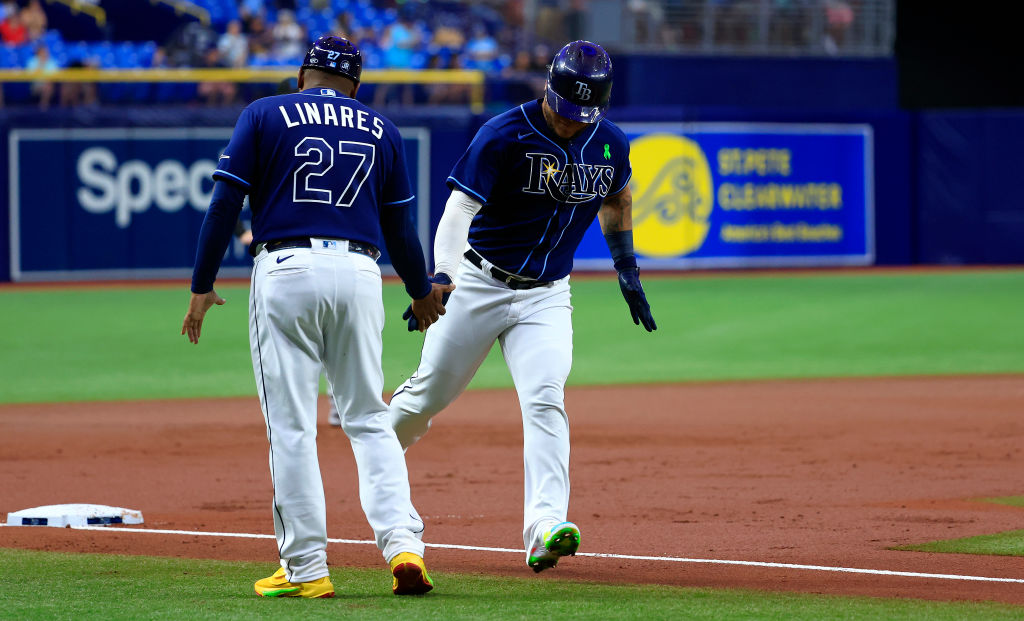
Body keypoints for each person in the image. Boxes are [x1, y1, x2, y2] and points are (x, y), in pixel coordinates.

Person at [181, 35, 452, 597]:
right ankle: (403, 545)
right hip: (359, 273)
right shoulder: (383, 129)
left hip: (286, 268)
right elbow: (401, 228)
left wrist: (202, 285)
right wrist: (422, 290)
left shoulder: (263, 113)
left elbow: (225, 204)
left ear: (303, 74)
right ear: (356, 84)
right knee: (369, 418)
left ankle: (307, 569)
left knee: (292, 426)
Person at [388, 40, 656, 573]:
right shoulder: (504, 133)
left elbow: (617, 197)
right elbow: (458, 209)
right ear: (548, 90)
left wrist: (626, 267)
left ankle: (543, 527)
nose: (569, 122)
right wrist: (441, 276)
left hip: (547, 296)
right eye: (562, 107)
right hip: (478, 284)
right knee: (425, 399)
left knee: (544, 398)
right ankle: (374, 448)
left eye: (582, 114)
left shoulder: (610, 144)